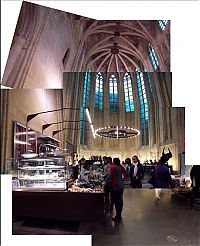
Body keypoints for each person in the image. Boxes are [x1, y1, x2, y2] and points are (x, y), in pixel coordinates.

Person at [105, 157, 128, 223]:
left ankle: (117, 217)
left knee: (116, 200)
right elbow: (125, 175)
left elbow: (109, 175)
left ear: (114, 161)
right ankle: (119, 215)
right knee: (120, 200)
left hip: (115, 186)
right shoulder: (120, 167)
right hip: (121, 185)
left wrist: (105, 181)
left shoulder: (112, 167)